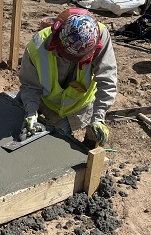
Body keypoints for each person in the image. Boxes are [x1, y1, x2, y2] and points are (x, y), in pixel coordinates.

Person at [18, 9, 117, 148]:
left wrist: (99, 117)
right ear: (56, 37)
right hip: (47, 101)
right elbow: (30, 85)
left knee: (55, 147)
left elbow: (107, 79)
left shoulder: (100, 36)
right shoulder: (37, 46)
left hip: (79, 104)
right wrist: (31, 113)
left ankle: (88, 142)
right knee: (18, 108)